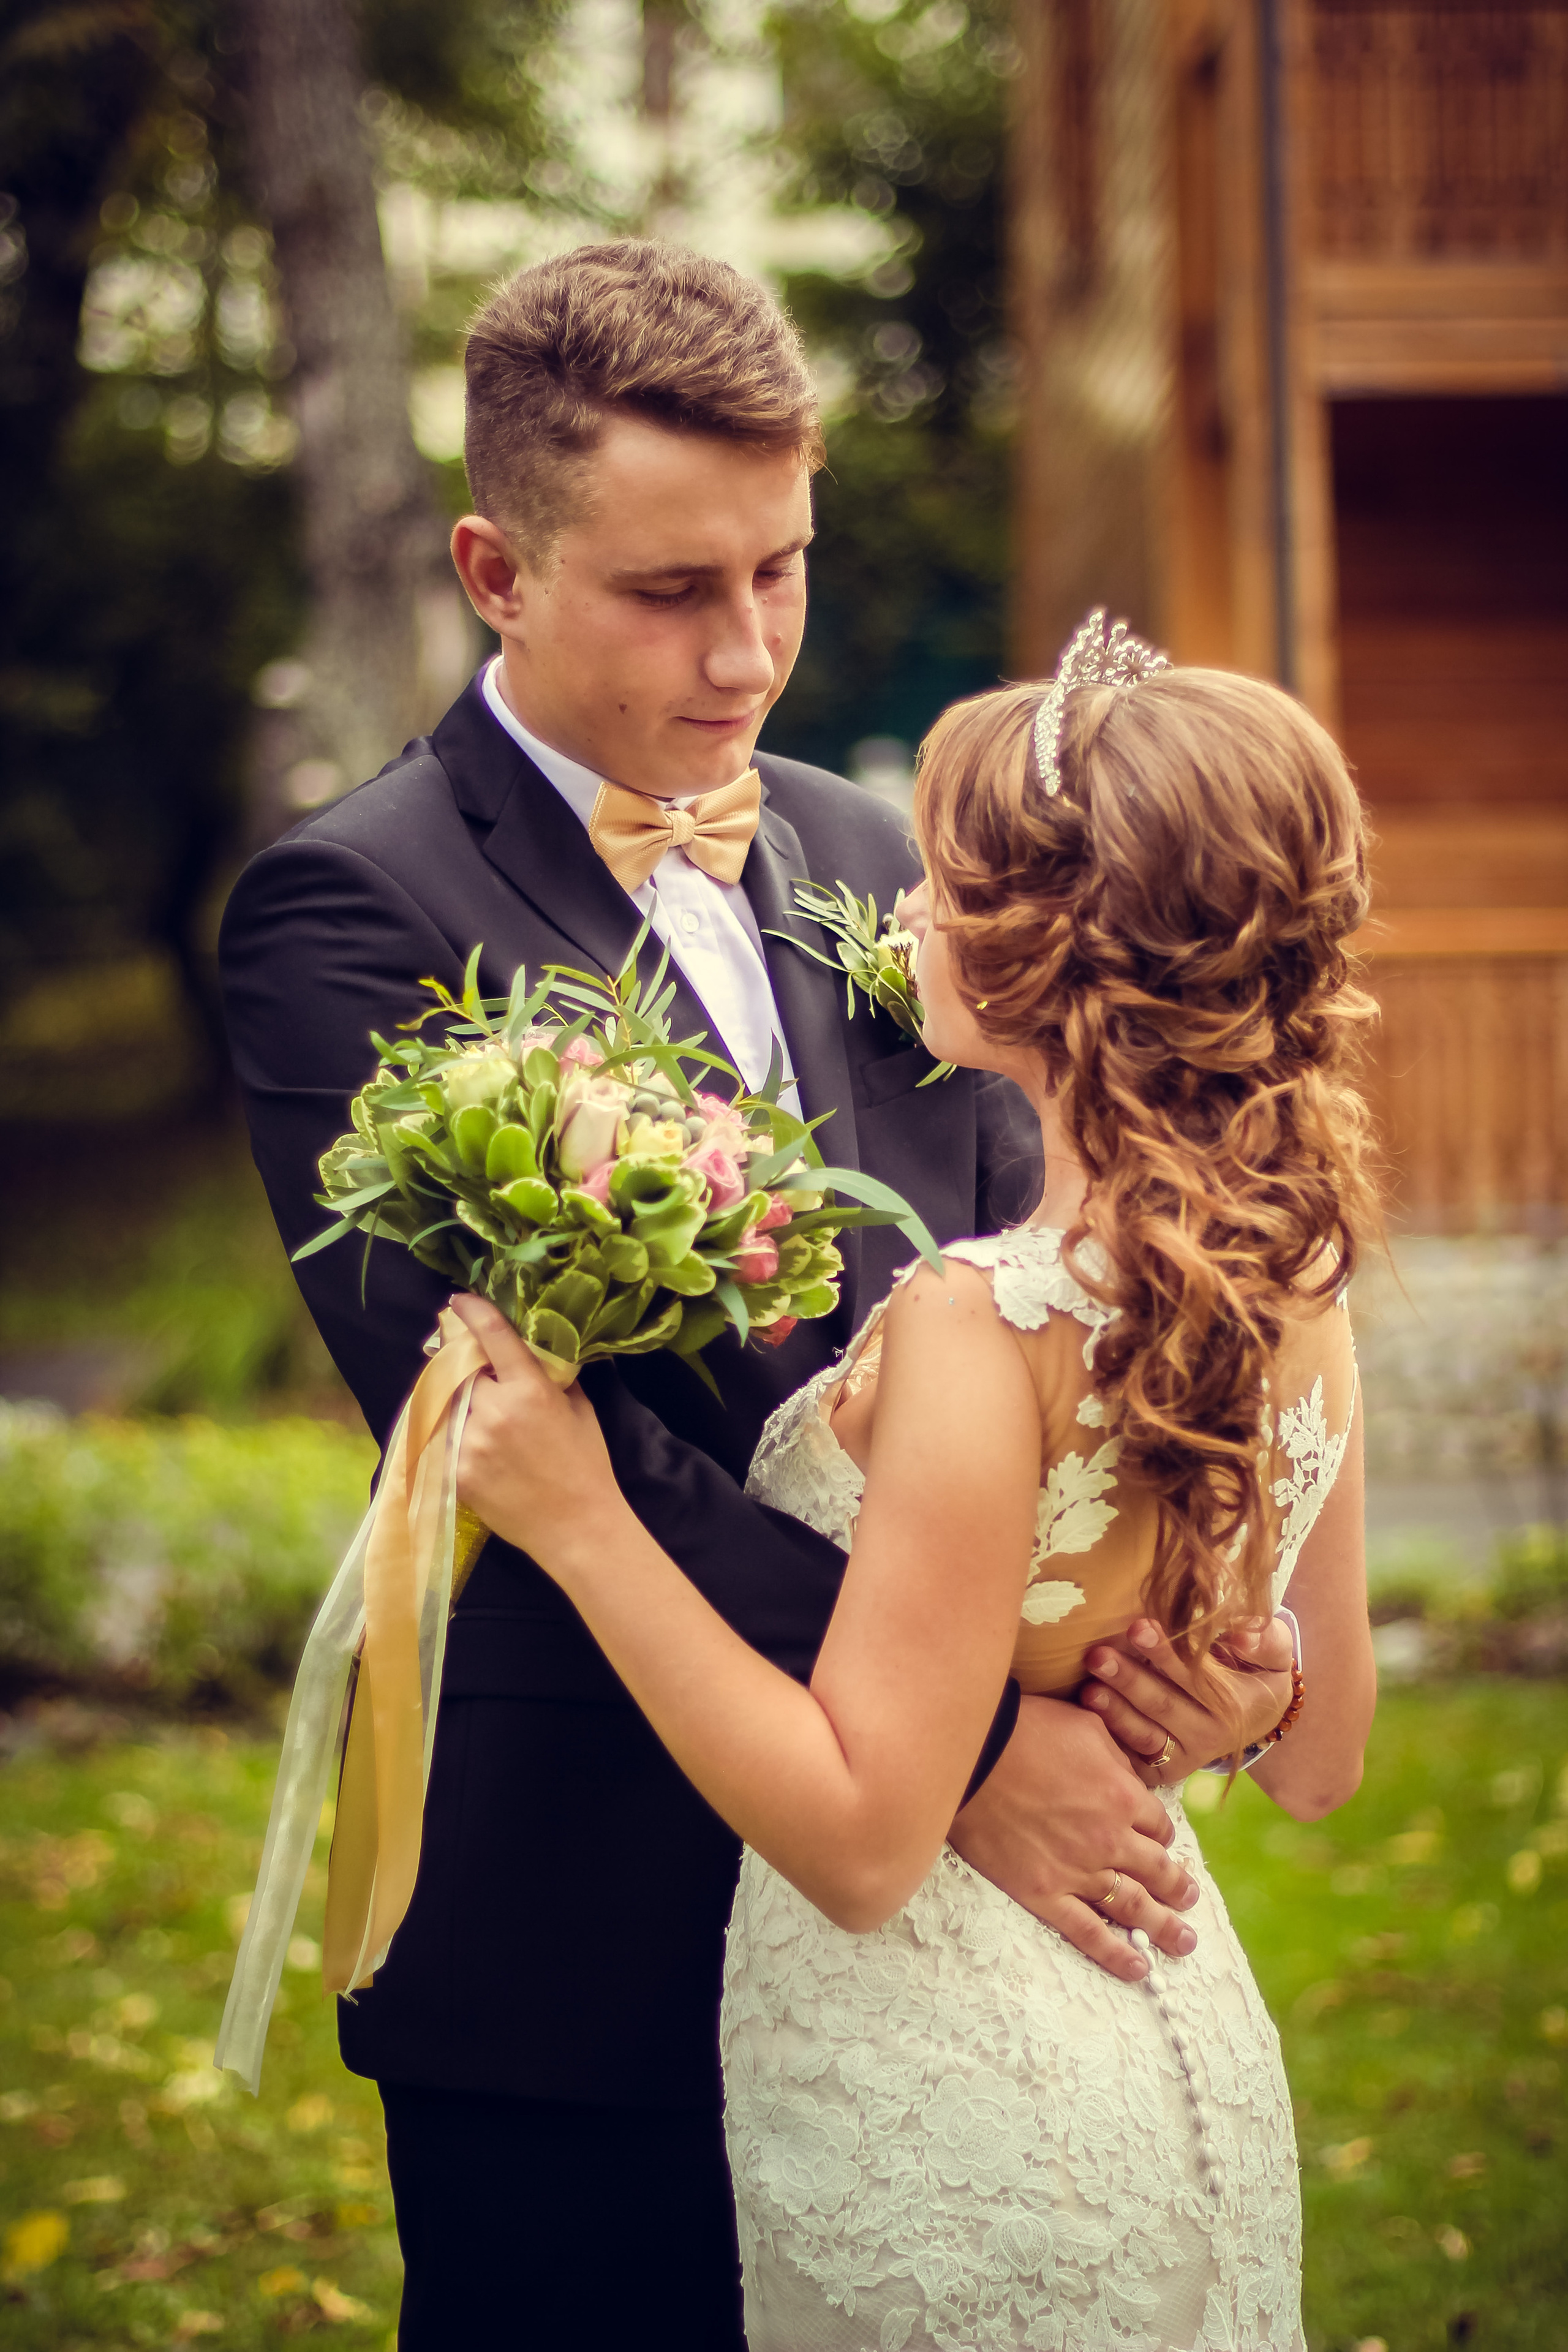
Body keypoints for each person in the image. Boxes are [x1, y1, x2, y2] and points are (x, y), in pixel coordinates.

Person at [219, 242, 1289, 2348]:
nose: (748, 654)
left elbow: (1050, 1310)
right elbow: (515, 1417)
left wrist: (1186, 1666)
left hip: (933, 1990)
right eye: (669, 590)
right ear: (494, 568)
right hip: (586, 1922)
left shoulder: (886, 856)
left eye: (781, 571)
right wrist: (962, 1737)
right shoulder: (346, 910)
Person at [450, 644, 1380, 2351]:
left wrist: (579, 1518)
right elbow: (1322, 1757)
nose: (910, 919)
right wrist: (1242, 1701)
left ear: (1056, 952)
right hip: (1175, 2040)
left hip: (963, 2106)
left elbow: (867, 1842)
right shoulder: (1293, 1278)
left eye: (945, 889)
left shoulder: (984, 1321)